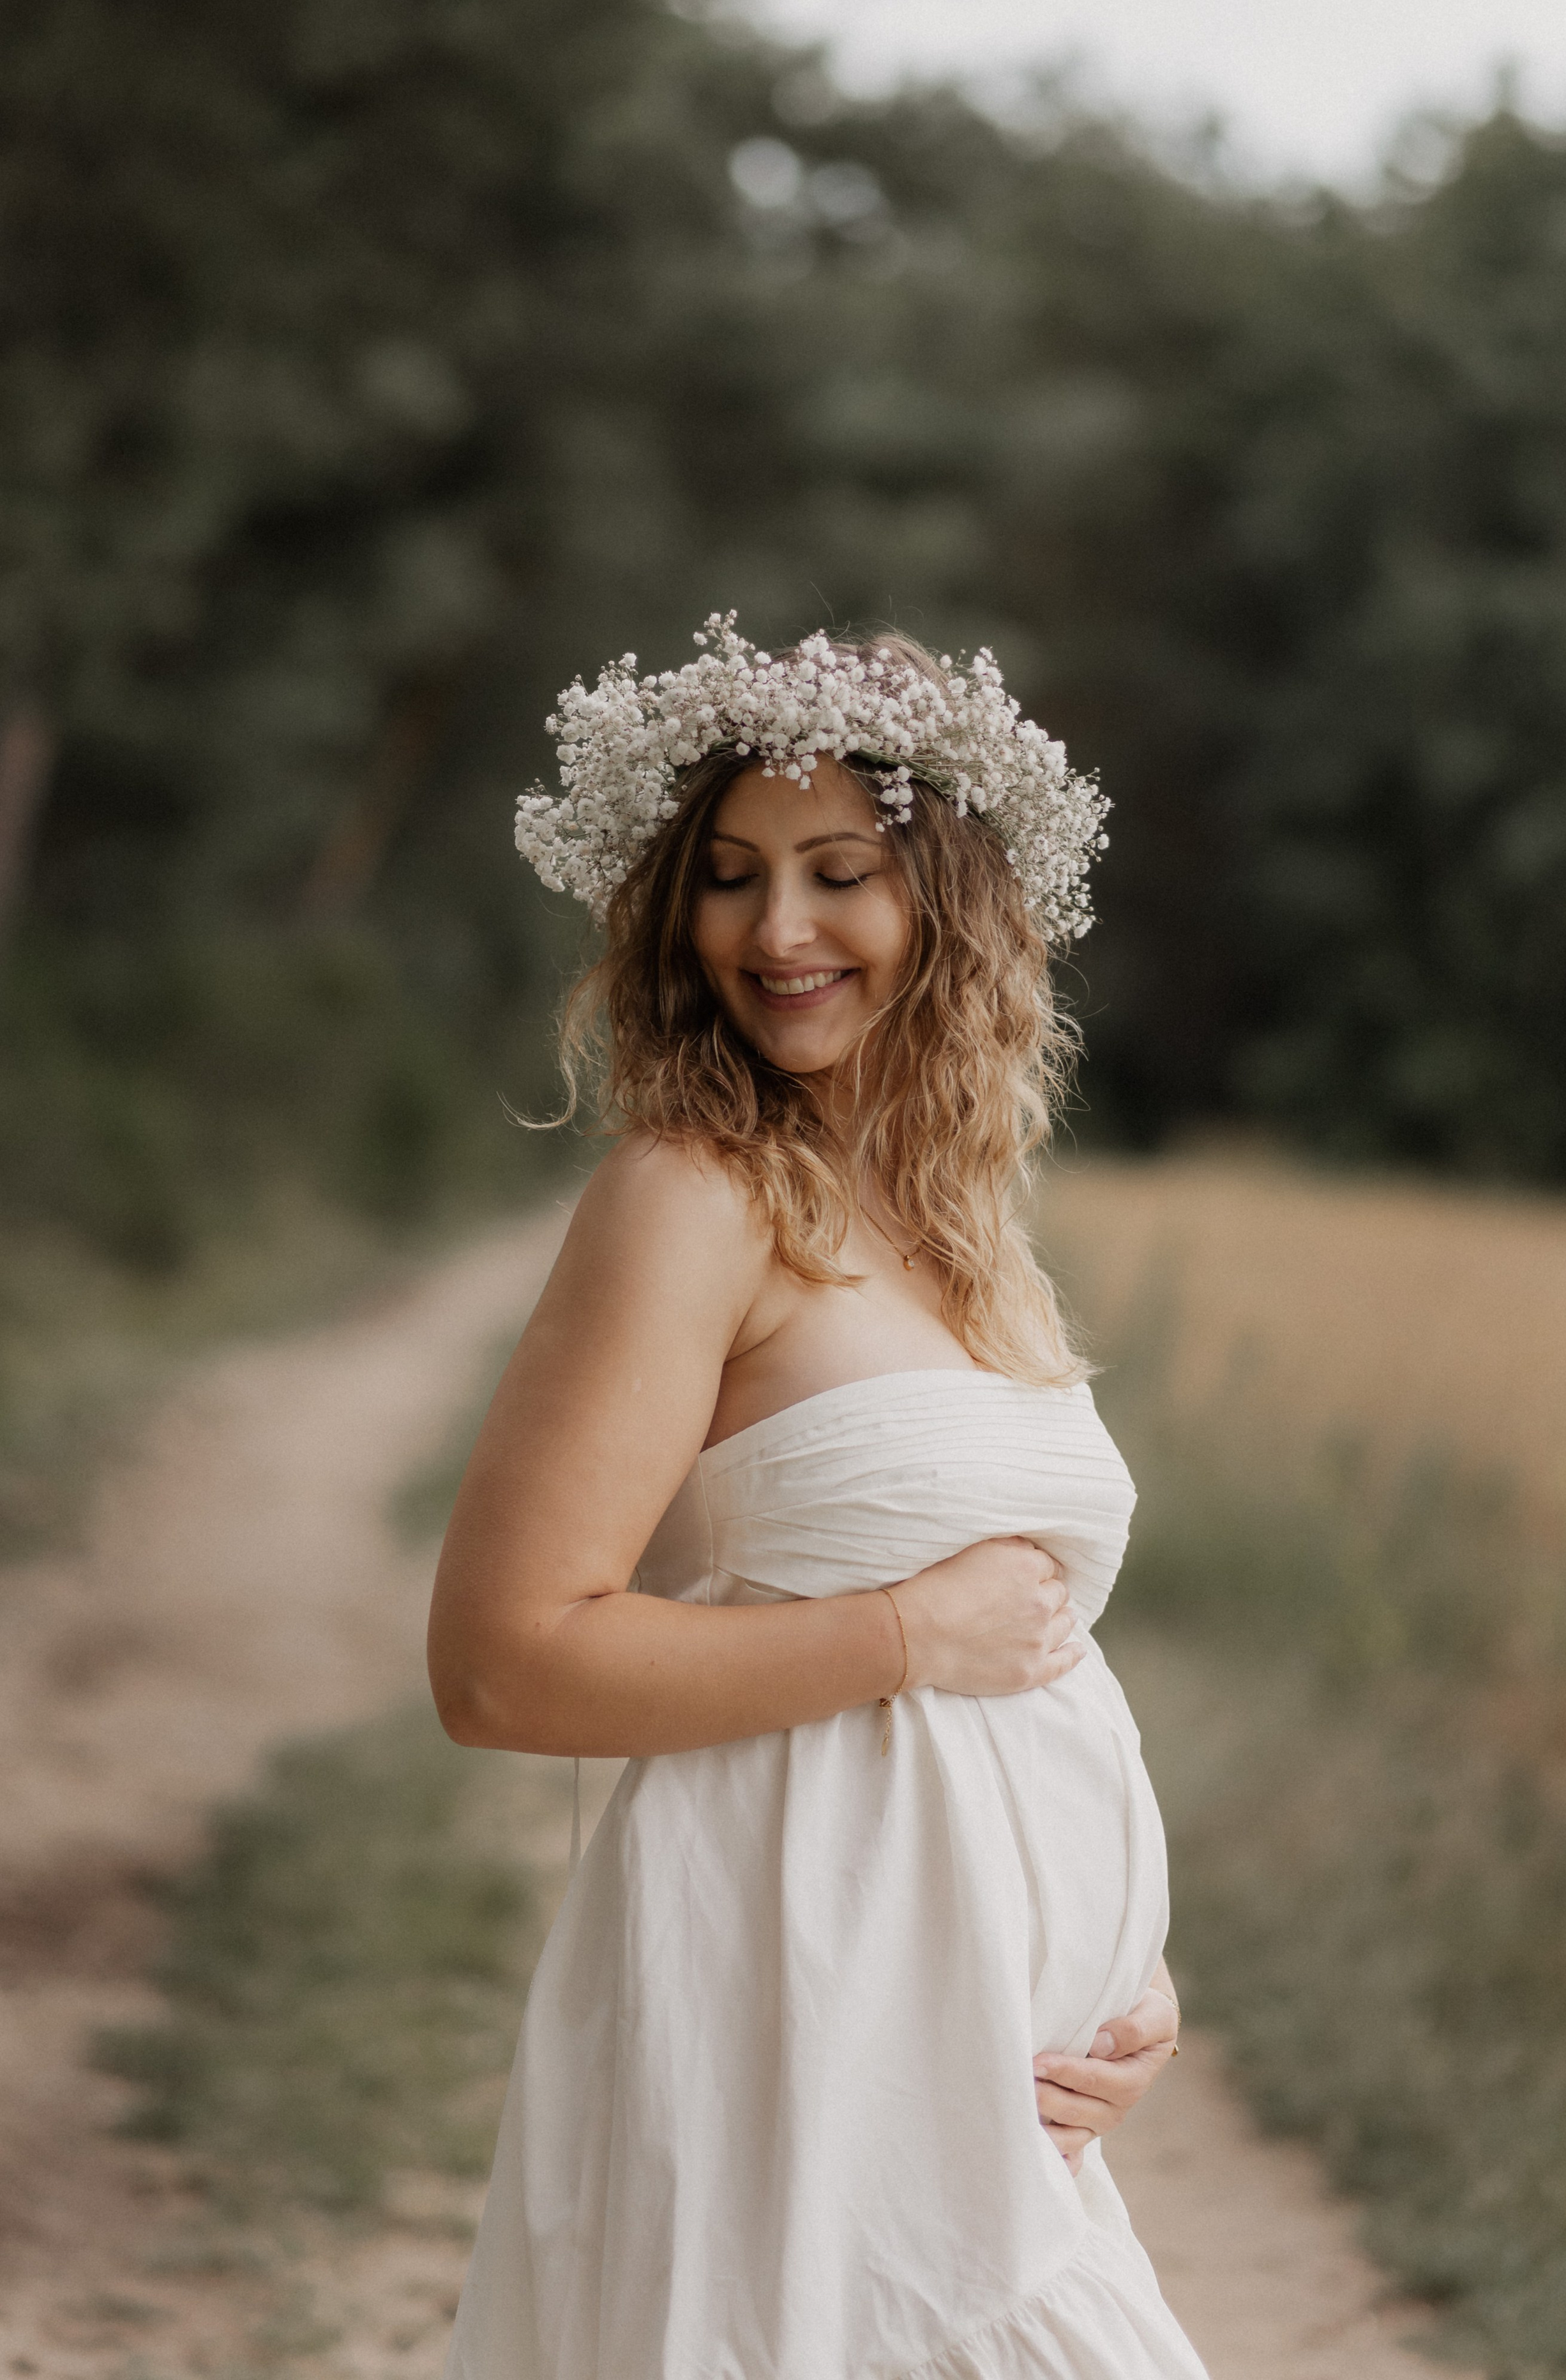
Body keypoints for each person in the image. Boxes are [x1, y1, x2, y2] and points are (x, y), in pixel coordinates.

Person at [428, 616, 1209, 2379]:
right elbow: (498, 1665)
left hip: (981, 2047)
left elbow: (1041, 1672)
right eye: (728, 877)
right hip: (795, 2002)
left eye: (838, 872)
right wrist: (900, 1631)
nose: (775, 931)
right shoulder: (690, 1198)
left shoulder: (966, 1222)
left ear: (951, 897)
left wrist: (1125, 1982)